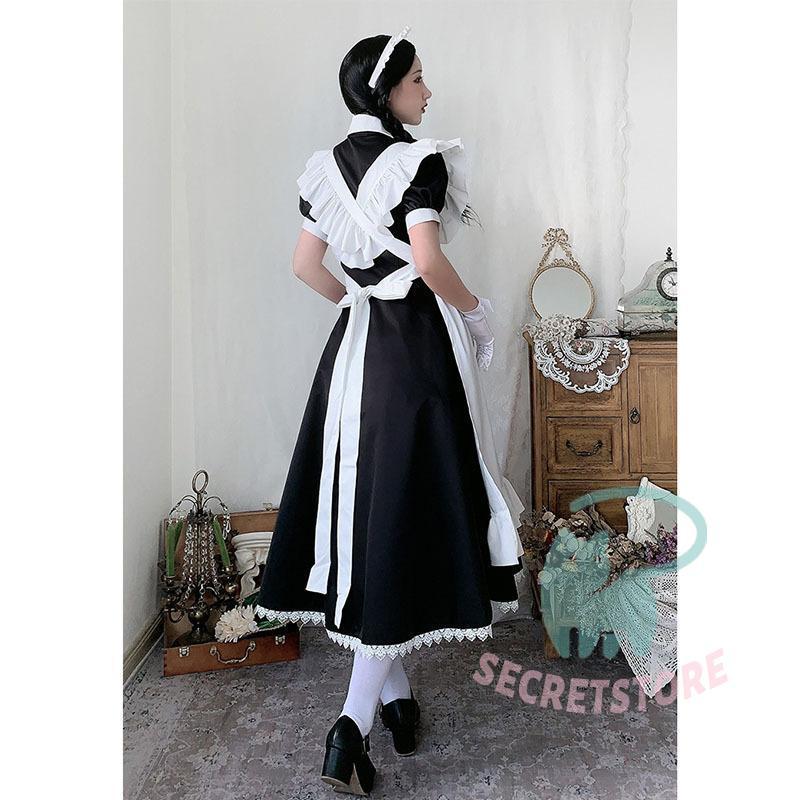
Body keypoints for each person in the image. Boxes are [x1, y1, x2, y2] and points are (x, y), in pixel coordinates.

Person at [254, 26, 525, 795]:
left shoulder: (323, 168)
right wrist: (478, 314)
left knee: (375, 517)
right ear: (386, 90)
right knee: (404, 519)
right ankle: (350, 729)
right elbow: (429, 261)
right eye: (416, 80)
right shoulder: (417, 161)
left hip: (353, 354)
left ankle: (399, 704)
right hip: (414, 353)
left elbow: (305, 265)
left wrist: (358, 301)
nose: (428, 92)